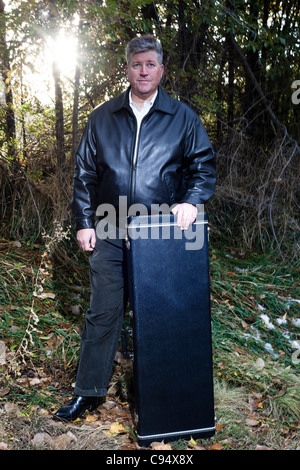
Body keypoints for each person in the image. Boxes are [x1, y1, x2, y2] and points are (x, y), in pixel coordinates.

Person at [53, 35, 216, 422]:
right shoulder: (103, 117)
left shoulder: (183, 119)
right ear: (126, 69)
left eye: (150, 64)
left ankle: (157, 394)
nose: (143, 71)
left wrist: (191, 201)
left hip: (160, 236)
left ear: (161, 70)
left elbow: (203, 167)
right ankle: (89, 392)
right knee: (103, 312)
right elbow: (85, 173)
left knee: (158, 315)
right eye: (136, 64)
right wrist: (83, 222)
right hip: (108, 229)